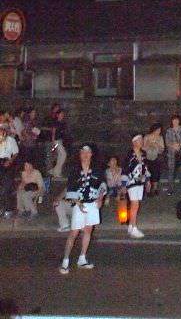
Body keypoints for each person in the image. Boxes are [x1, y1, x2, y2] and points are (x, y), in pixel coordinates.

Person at [59, 143, 107, 274]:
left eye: (88, 152)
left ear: (91, 154)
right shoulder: (75, 171)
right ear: (80, 155)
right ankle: (65, 260)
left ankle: (82, 257)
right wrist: (78, 203)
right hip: (79, 204)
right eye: (82, 153)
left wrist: (100, 198)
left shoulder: (97, 169)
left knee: (88, 230)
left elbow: (102, 185)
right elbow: (71, 188)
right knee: (74, 232)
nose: (85, 155)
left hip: (92, 203)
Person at [121, 134, 151, 239]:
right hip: (131, 181)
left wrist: (147, 180)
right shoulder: (130, 155)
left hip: (140, 181)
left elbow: (145, 168)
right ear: (134, 142)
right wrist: (124, 184)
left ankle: (131, 226)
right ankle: (133, 226)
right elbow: (125, 168)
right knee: (135, 204)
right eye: (140, 140)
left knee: (136, 204)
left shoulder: (143, 154)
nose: (142, 142)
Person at [165, 114, 181, 195]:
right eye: (174, 120)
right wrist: (173, 145)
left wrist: (178, 145)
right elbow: (167, 142)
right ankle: (170, 189)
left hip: (180, 153)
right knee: (171, 171)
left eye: (177, 120)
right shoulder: (168, 131)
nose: (175, 122)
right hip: (171, 154)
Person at [0, 125, 18, 217]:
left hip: (7, 162)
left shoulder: (11, 140)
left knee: (7, 187)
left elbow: (15, 153)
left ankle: (9, 209)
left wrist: (10, 161)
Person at [143, 123, 164, 197]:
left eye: (160, 130)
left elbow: (162, 149)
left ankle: (155, 188)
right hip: (148, 157)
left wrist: (157, 145)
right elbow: (143, 148)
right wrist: (149, 143)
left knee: (156, 172)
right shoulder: (147, 136)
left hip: (156, 157)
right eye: (158, 130)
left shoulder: (160, 137)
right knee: (148, 173)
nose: (159, 132)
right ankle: (148, 189)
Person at [48, 108, 69, 178]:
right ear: (57, 115)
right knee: (63, 154)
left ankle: (56, 171)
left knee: (60, 156)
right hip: (56, 141)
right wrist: (53, 141)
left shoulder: (62, 123)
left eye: (63, 114)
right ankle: (56, 170)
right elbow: (53, 132)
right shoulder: (55, 123)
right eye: (61, 114)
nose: (62, 115)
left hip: (60, 141)